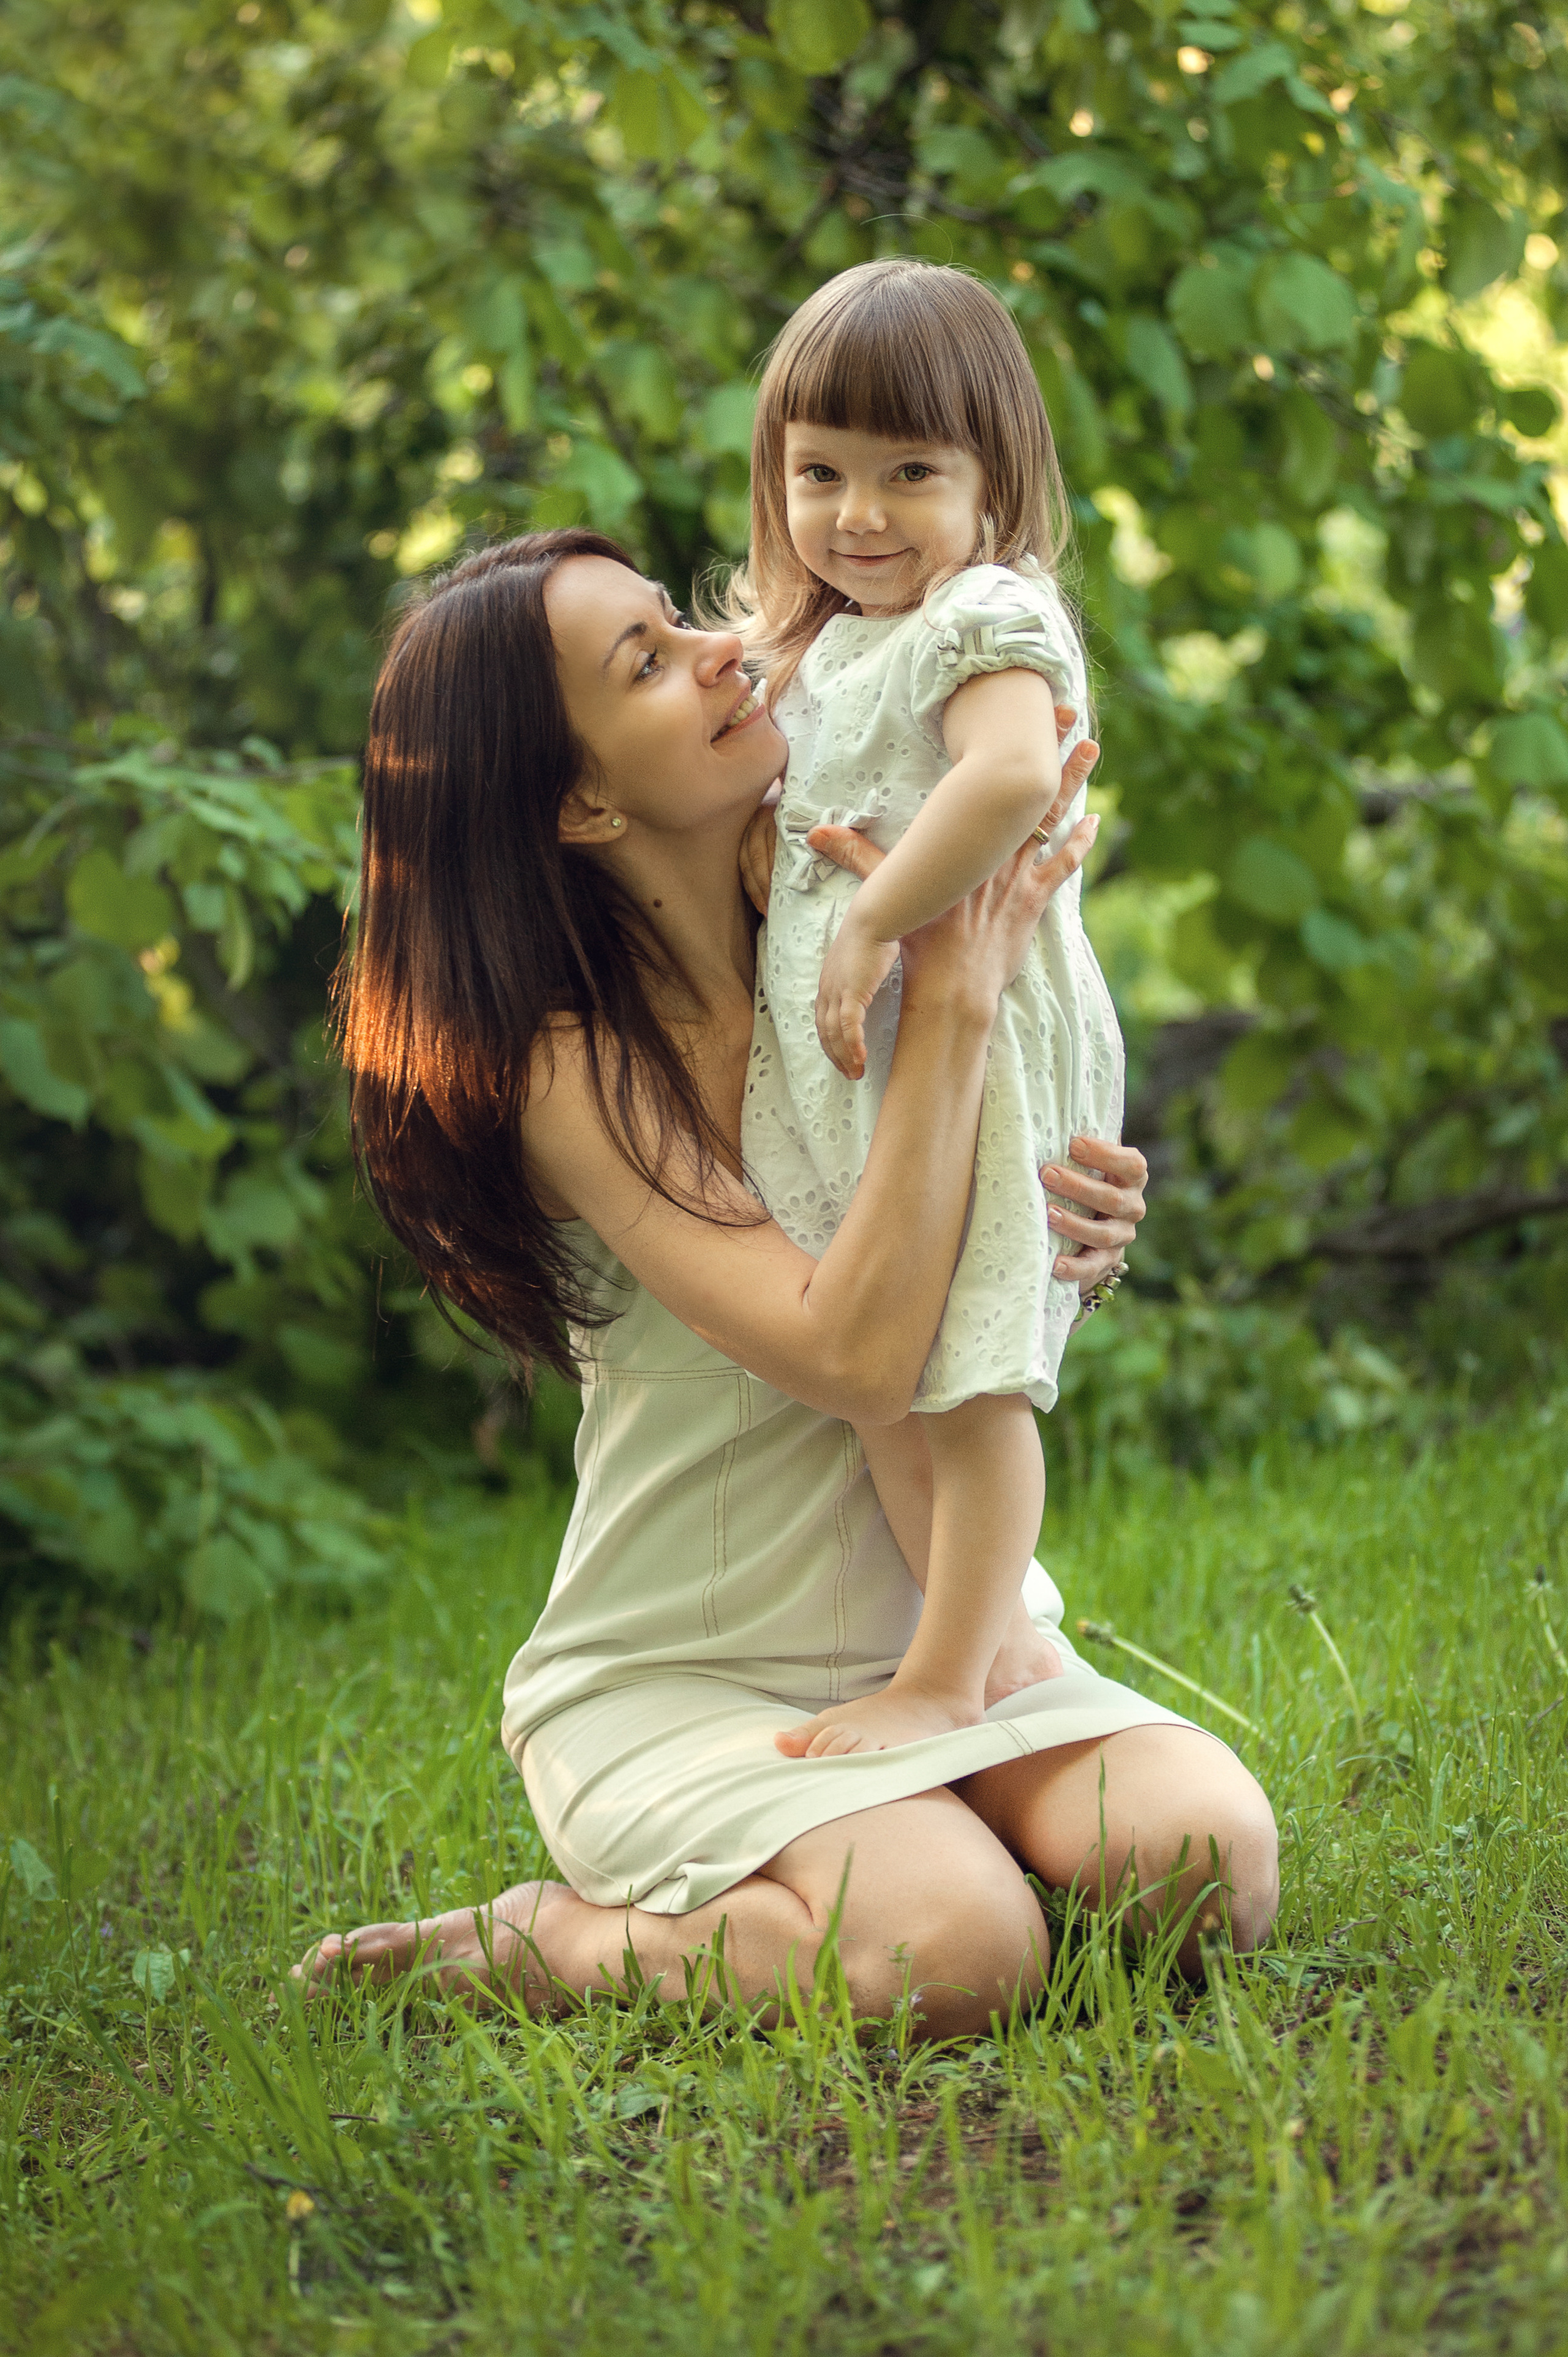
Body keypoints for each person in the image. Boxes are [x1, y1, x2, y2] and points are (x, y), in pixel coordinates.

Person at [296, 526, 1277, 2038]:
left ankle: (938, 1806)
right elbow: (858, 1355)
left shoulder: (839, 917)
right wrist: (947, 991)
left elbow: (973, 1250)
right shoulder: (569, 1063)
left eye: (683, 618)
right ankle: (549, 1939)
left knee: (1197, 1865)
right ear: (580, 795)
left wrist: (1070, 1221)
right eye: (647, 662)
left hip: (949, 1636)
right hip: (682, 1672)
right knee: (953, 1956)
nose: (721, 648)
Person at [729, 259, 1124, 1760]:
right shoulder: (831, 638)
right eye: (819, 471)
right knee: (885, 1384)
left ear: (992, 483)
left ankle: (950, 1677)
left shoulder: (985, 610)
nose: (860, 514)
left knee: (968, 1375)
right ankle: (978, 1656)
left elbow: (1014, 775)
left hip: (982, 1059)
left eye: (911, 472)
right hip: (872, 1080)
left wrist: (876, 922)